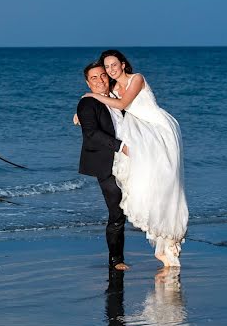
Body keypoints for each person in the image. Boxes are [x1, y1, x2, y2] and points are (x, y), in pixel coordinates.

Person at [82, 49, 188, 268]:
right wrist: (81, 111)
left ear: (122, 64)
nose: (108, 73)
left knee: (162, 184)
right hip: (127, 146)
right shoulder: (100, 95)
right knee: (133, 197)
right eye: (105, 68)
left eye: (111, 67)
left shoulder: (133, 81)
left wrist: (91, 96)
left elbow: (120, 105)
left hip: (155, 133)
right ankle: (136, 252)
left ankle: (167, 240)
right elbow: (95, 122)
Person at [77, 61, 131, 271]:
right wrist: (121, 146)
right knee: (116, 210)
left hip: (132, 158)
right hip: (107, 162)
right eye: (94, 78)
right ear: (87, 83)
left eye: (102, 75)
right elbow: (91, 134)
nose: (100, 81)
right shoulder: (87, 104)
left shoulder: (120, 98)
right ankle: (116, 260)